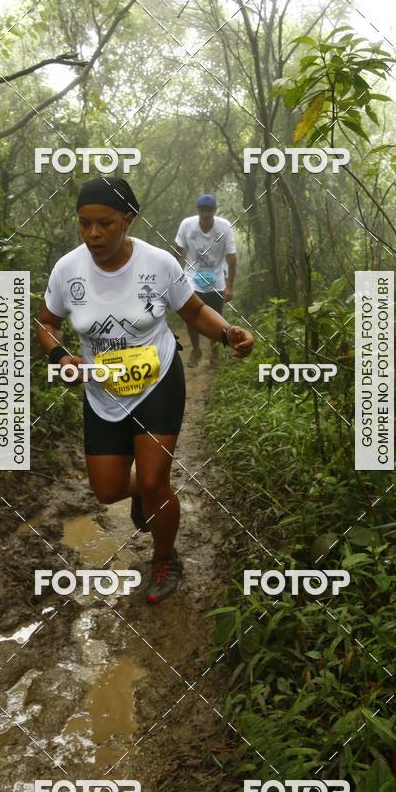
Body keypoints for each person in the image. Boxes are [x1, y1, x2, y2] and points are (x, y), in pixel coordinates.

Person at [37, 177, 254, 604]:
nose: (94, 234)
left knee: (155, 481)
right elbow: (47, 322)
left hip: (157, 381)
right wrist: (60, 357)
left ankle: (164, 559)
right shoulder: (68, 269)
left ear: (127, 220)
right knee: (108, 490)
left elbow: (193, 310)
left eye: (105, 223)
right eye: (85, 224)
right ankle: (141, 495)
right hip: (103, 390)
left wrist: (228, 333)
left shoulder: (158, 264)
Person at [173, 194, 237, 367]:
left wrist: (229, 286)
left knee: (217, 318)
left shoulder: (224, 227)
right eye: (203, 210)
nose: (206, 214)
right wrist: (173, 277)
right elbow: (178, 251)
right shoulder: (187, 225)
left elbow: (231, 257)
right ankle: (196, 349)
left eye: (209, 210)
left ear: (214, 211)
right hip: (192, 278)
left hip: (216, 279)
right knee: (190, 316)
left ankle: (214, 352)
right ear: (197, 210)